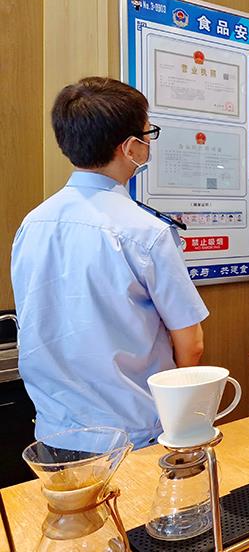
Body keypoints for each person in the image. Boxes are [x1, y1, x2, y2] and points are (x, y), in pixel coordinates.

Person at [11, 77, 209, 450]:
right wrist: (179, 412)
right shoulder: (146, 232)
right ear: (131, 147)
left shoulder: (32, 223)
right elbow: (191, 342)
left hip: (53, 433)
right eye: (148, 134)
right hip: (133, 436)